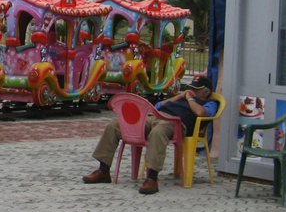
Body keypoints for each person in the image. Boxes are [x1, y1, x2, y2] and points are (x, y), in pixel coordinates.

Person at [82, 76, 218, 195]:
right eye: (190, 88)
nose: (191, 91)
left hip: (175, 122)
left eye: (196, 89)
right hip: (154, 116)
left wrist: (189, 99)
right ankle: (103, 170)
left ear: (206, 91)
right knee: (115, 124)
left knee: (158, 133)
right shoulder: (182, 98)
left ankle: (152, 177)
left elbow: (201, 113)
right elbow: (157, 106)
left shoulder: (209, 103)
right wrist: (179, 97)